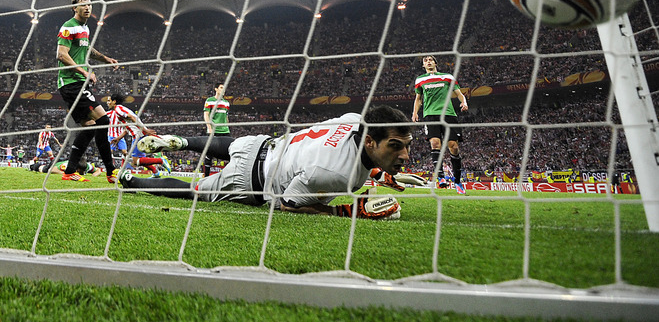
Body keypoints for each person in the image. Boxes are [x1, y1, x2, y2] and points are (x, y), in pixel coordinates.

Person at [121, 105, 426, 219]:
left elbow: (355, 154)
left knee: (226, 146)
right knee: (194, 189)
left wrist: (381, 173)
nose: (405, 156)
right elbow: (288, 205)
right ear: (371, 142)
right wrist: (342, 211)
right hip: (251, 180)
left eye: (407, 147)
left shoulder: (354, 120)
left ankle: (184, 141)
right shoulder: (334, 174)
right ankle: (129, 181)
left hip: (265, 143)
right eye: (396, 147)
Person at [57, 0, 118, 183]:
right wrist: (84, 72)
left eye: (90, 5)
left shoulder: (84, 28)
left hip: (78, 83)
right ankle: (110, 170)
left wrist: (105, 59)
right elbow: (61, 54)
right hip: (72, 82)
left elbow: (87, 49)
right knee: (103, 120)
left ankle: (70, 171)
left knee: (90, 127)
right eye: (83, 4)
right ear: (74, 8)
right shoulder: (68, 27)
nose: (87, 7)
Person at [412, 55, 468, 194]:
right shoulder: (420, 80)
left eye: (430, 60)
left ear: (435, 63)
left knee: (453, 147)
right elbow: (418, 99)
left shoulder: (447, 77)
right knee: (435, 144)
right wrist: (415, 113)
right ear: (423, 66)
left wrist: (464, 102)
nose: (428, 62)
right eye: (425, 61)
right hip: (430, 115)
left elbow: (459, 93)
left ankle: (457, 181)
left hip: (448, 114)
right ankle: (441, 177)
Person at [107, 93, 171, 177]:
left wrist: (145, 130)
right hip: (138, 134)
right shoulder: (119, 110)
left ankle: (161, 161)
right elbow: (127, 128)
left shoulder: (118, 110)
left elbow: (133, 118)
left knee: (135, 161)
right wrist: (118, 138)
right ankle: (156, 172)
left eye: (109, 101)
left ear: (114, 101)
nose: (108, 103)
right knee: (139, 160)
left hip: (138, 135)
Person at [202, 83, 230, 177]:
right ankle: (205, 176)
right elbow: (206, 115)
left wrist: (228, 126)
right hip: (213, 130)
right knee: (209, 154)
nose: (223, 89)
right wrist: (209, 128)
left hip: (225, 131)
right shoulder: (210, 101)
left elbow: (226, 116)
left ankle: (230, 175)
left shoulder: (226, 103)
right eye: (221, 87)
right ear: (216, 89)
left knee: (231, 152)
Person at [30, 156, 102, 180]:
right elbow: (52, 170)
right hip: (55, 164)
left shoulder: (87, 166)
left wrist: (94, 175)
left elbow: (98, 170)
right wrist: (66, 173)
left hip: (64, 160)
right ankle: (33, 164)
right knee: (42, 169)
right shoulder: (67, 166)